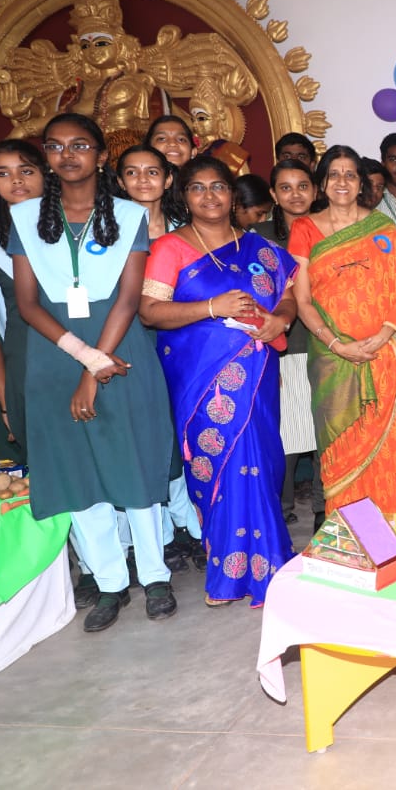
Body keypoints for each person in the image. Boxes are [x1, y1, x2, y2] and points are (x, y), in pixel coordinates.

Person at [10, 113, 176, 632]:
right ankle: (109, 582)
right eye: (55, 146)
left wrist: (95, 365)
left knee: (133, 459)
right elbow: (27, 304)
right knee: (76, 469)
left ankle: (155, 575)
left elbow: (128, 298)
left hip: (119, 346)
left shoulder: (128, 215)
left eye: (80, 145)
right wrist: (85, 358)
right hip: (54, 352)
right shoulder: (25, 218)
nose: (68, 155)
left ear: (102, 156)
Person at [140, 155, 298, 606]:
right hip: (201, 382)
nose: (209, 195)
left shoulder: (260, 248)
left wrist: (281, 321)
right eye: (197, 187)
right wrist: (213, 308)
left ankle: (272, 563)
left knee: (261, 462)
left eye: (219, 186)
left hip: (257, 373)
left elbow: (288, 297)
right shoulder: (170, 248)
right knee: (218, 466)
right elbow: (150, 311)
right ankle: (227, 574)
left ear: (233, 194)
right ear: (184, 196)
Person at [288, 146, 396, 516]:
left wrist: (382, 337)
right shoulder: (304, 229)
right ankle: (348, 534)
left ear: (362, 183)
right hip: (333, 361)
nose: (342, 181)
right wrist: (337, 345)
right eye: (334, 174)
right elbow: (302, 300)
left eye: (350, 174)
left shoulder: (382, 227)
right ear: (322, 183)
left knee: (392, 445)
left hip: (383, 355)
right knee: (341, 446)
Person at [116, 143, 209, 573]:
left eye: (152, 172)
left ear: (169, 179)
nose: (143, 180)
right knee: (149, 435)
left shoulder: (187, 230)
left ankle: (193, 522)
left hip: (186, 340)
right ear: (119, 182)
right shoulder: (108, 232)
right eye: (132, 173)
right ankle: (164, 531)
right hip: (132, 337)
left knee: (183, 430)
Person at [257, 160, 323, 527]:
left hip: (327, 343)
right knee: (285, 437)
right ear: (273, 193)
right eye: (285, 187)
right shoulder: (258, 237)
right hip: (281, 347)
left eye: (302, 186)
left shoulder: (330, 229)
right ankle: (280, 511)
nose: (295, 194)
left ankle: (324, 507)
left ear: (315, 190)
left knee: (325, 433)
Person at [0, 140, 44, 463]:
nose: (16, 180)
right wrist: (7, 404)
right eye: (4, 173)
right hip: (14, 357)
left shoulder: (69, 225)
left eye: (25, 171)